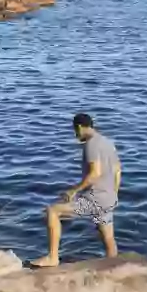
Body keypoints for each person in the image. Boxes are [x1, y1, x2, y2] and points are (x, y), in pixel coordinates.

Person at [36, 112, 120, 267]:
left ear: (80, 127)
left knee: (53, 211)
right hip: (108, 198)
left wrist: (74, 190)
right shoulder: (108, 143)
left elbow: (95, 173)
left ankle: (53, 257)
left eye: (75, 130)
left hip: (95, 198)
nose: (75, 134)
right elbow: (117, 171)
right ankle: (113, 266)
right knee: (107, 237)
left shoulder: (91, 144)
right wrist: (113, 194)